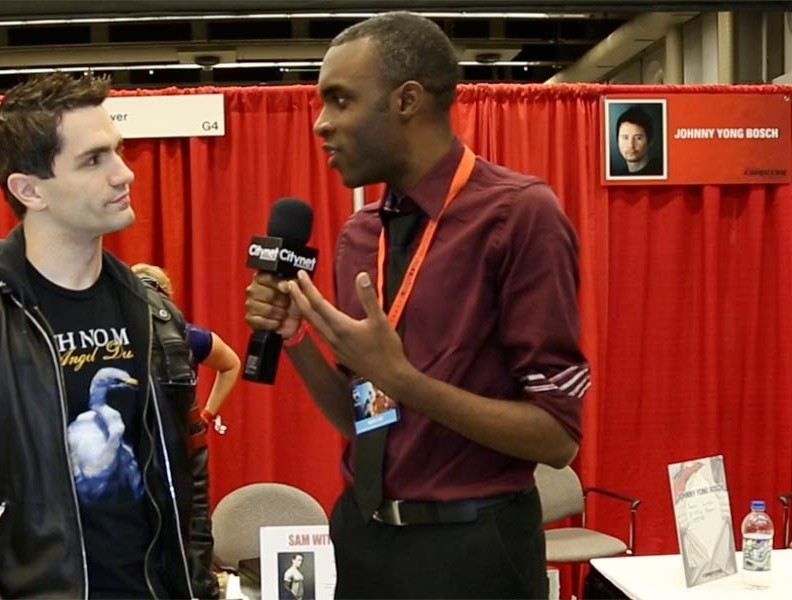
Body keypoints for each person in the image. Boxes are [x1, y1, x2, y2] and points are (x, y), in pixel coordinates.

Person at [244, 11, 589, 599]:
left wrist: (402, 379)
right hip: (365, 540)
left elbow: (557, 438)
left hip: (476, 551)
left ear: (406, 100)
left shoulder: (518, 215)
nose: (321, 123)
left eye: (340, 100)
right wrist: (295, 337)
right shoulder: (359, 236)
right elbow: (364, 418)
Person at [0, 72, 216, 599]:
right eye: (94, 159)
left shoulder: (154, 313)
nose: (124, 172)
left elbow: (189, 468)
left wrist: (197, 584)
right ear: (29, 189)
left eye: (117, 151)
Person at [132, 263, 241, 433]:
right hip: (177, 436)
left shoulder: (115, 339)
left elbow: (231, 365)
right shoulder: (189, 335)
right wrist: (207, 415)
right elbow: (231, 364)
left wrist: (206, 416)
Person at [611, 105, 663, 176]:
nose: (631, 145)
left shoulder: (660, 171)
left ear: (650, 140)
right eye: (625, 137)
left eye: (638, 138)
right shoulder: (619, 177)